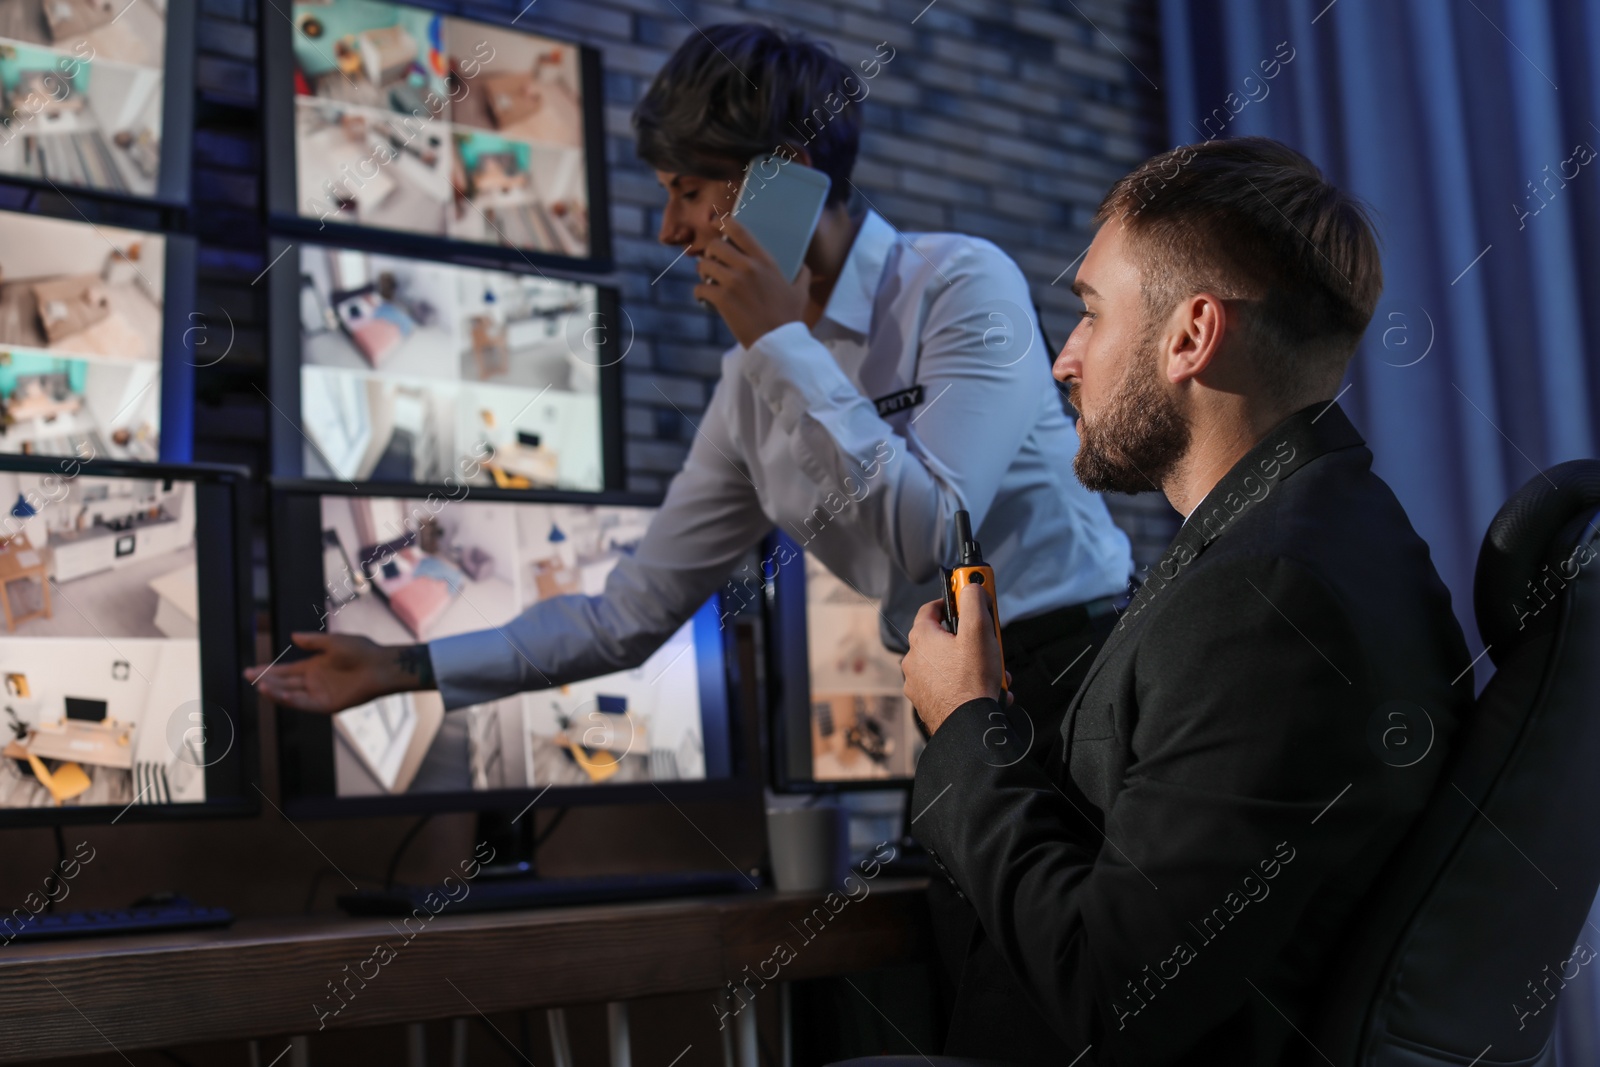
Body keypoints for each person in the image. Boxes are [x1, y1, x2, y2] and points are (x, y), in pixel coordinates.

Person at [248, 24, 1132, 767]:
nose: (672, 229)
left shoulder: (959, 283)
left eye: (690, 191)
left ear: (783, 174)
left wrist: (784, 340)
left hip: (1077, 678)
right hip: (948, 706)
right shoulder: (753, 380)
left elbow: (934, 534)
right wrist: (403, 665)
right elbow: (626, 617)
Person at [900, 137, 1473, 1065]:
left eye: (1089, 313)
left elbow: (1113, 988)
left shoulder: (1267, 601)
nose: (1063, 360)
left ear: (1191, 335)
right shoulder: (1317, 541)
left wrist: (964, 722)